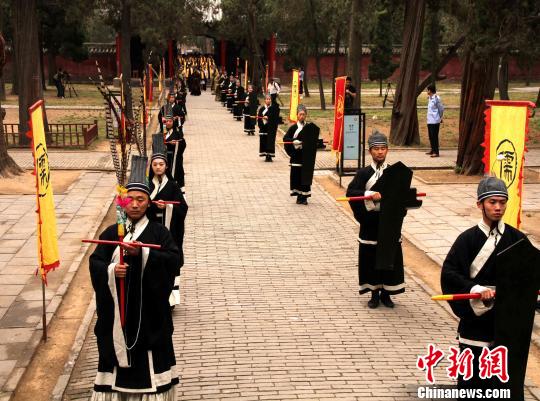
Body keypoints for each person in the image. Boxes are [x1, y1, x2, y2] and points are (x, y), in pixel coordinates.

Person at [89, 155, 181, 400]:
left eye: (141, 199)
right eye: (130, 199)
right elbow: (95, 262)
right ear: (122, 201)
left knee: (151, 354)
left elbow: (174, 260)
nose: (135, 204)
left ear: (149, 202)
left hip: (150, 313)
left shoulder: (159, 233)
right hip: (119, 313)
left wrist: (145, 253)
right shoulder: (112, 232)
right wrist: (111, 271)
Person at [440, 177, 527, 397]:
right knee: (474, 382)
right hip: (475, 320)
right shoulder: (467, 239)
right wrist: (475, 289)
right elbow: (450, 274)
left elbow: (528, 275)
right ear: (480, 205)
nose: (498, 208)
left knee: (504, 382)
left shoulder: (517, 238)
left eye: (502, 202)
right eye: (492, 202)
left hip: (506, 322)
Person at [346, 131, 405, 308]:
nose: (380, 152)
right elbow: (351, 193)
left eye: (383, 148)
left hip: (389, 222)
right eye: (376, 149)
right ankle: (374, 293)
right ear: (370, 151)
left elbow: (402, 196)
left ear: (387, 150)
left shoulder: (395, 172)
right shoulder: (364, 173)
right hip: (370, 222)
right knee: (371, 258)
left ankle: (387, 293)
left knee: (389, 257)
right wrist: (367, 194)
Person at [147, 135, 188, 308]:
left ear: (166, 166)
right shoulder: (146, 185)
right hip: (150, 229)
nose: (158, 167)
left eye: (161, 164)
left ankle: (170, 299)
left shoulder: (172, 186)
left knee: (169, 260)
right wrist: (151, 205)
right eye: (155, 164)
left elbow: (183, 207)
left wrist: (168, 208)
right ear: (151, 166)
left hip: (169, 230)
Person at [283, 105, 320, 205]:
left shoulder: (309, 128)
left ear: (306, 115)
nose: (302, 116)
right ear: (297, 116)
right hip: (296, 157)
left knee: (305, 177)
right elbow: (286, 139)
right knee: (296, 177)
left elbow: (315, 141)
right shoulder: (293, 128)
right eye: (300, 114)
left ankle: (305, 197)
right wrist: (294, 141)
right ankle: (299, 196)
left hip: (306, 157)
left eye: (304, 114)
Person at [163, 116, 186, 193]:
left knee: (176, 177)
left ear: (173, 122)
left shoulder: (177, 133)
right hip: (165, 160)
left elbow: (183, 143)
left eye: (170, 121)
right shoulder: (162, 133)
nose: (168, 123)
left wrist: (176, 144)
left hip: (175, 160)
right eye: (167, 121)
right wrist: (168, 143)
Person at [257, 94, 280, 162]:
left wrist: (268, 118)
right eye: (267, 99)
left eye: (269, 99)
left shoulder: (273, 108)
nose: (268, 100)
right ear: (265, 100)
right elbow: (259, 117)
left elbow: (275, 117)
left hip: (270, 128)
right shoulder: (262, 109)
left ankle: (270, 155)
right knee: (264, 141)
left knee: (270, 141)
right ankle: (265, 155)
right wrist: (261, 123)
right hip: (263, 127)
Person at [426, 84, 444, 158]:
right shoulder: (430, 98)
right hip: (429, 120)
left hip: (435, 121)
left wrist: (440, 117)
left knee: (434, 136)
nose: (427, 91)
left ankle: (436, 152)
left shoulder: (436, 98)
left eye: (427, 90)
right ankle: (432, 149)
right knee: (430, 136)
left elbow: (441, 109)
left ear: (430, 90)